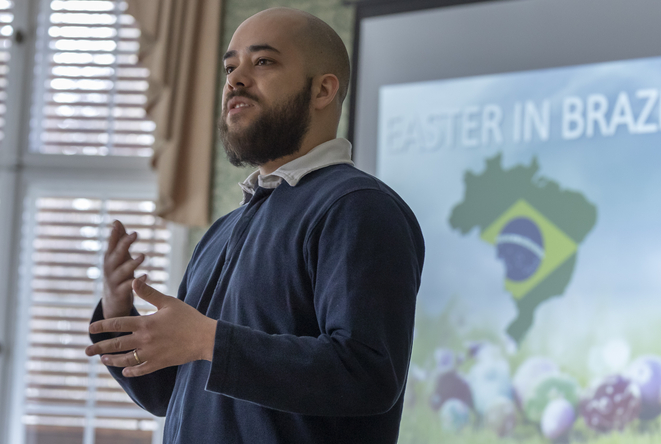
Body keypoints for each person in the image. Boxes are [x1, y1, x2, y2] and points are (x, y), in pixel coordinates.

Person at [84, 8, 425, 443]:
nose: (235, 80)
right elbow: (171, 394)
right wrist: (118, 310)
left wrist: (209, 340)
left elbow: (367, 374)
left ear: (323, 89)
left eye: (262, 61)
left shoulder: (358, 208)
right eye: (230, 66)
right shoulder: (223, 230)